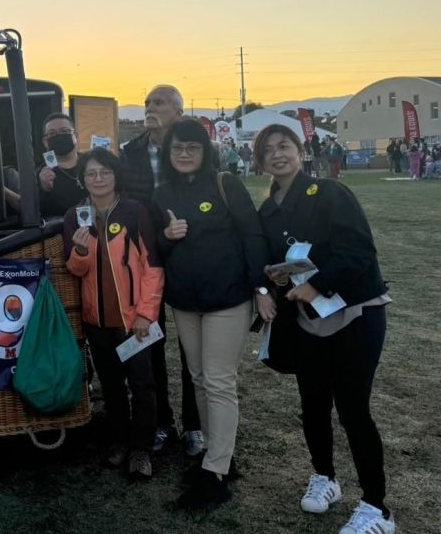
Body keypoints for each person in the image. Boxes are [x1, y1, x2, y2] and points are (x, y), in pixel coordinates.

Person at [255, 124, 395, 534]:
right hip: (307, 319)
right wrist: (275, 278)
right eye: (268, 150)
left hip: (354, 313)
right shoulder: (267, 211)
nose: (277, 154)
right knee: (313, 403)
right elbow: (271, 259)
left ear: (300, 150)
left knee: (353, 409)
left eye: (284, 146)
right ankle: (324, 477)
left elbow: (359, 250)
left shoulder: (330, 192)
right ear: (260, 161)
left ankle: (377, 508)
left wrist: (318, 284)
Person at [153, 118, 270, 512]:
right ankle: (218, 456)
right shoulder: (162, 193)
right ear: (168, 153)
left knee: (219, 381)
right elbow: (154, 250)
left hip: (227, 299)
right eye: (177, 148)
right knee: (200, 379)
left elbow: (252, 235)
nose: (184, 154)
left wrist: (261, 288)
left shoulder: (225, 184)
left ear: (205, 151)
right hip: (185, 302)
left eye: (192, 147)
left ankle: (215, 473)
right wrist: (166, 237)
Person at [63, 147, 163, 480]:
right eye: (91, 173)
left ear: (116, 176)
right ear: (83, 179)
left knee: (142, 385)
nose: (98, 179)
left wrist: (146, 313)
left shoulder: (135, 212)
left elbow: (152, 266)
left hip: (133, 321)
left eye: (104, 172)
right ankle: (119, 441)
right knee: (111, 386)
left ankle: (142, 449)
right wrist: (80, 250)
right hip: (98, 321)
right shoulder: (75, 216)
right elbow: (75, 270)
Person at [119, 85, 203, 457]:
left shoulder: (191, 151)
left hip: (186, 255)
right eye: (147, 103)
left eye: (159, 103)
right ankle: (160, 421)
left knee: (192, 347)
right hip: (145, 258)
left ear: (178, 113)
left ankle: (195, 425)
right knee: (150, 340)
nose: (150, 108)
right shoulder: (130, 153)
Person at [38, 113, 83, 219]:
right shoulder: (39, 174)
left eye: (64, 131)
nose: (58, 136)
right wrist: (44, 189)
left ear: (75, 135)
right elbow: (34, 211)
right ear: (45, 141)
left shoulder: (91, 165)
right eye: (52, 133)